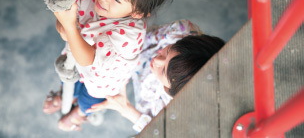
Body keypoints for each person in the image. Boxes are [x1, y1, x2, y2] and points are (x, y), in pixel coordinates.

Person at [42, 0, 175, 131]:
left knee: (88, 101)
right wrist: (65, 28)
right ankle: (64, 95)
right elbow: (64, 25)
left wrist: (70, 28)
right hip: (75, 59)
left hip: (102, 80)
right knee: (69, 79)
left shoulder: (129, 35)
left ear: (137, 13)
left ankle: (80, 114)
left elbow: (88, 59)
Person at [86, 19, 225, 132]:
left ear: (173, 92)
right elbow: (142, 37)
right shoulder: (180, 31)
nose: (157, 60)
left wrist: (125, 108)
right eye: (169, 49)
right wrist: (123, 63)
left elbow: (158, 131)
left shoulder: (179, 110)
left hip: (143, 91)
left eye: (164, 70)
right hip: (134, 54)